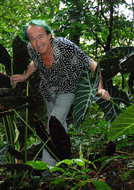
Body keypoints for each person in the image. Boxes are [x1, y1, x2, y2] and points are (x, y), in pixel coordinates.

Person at [11, 20, 110, 166]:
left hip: (67, 88)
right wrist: (25, 76)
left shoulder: (65, 46)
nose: (38, 43)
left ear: (49, 34)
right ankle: (63, 163)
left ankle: (48, 169)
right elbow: (36, 62)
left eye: (41, 36)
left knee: (54, 122)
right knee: (59, 126)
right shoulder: (31, 49)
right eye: (33, 39)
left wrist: (99, 87)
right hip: (47, 89)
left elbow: (93, 64)